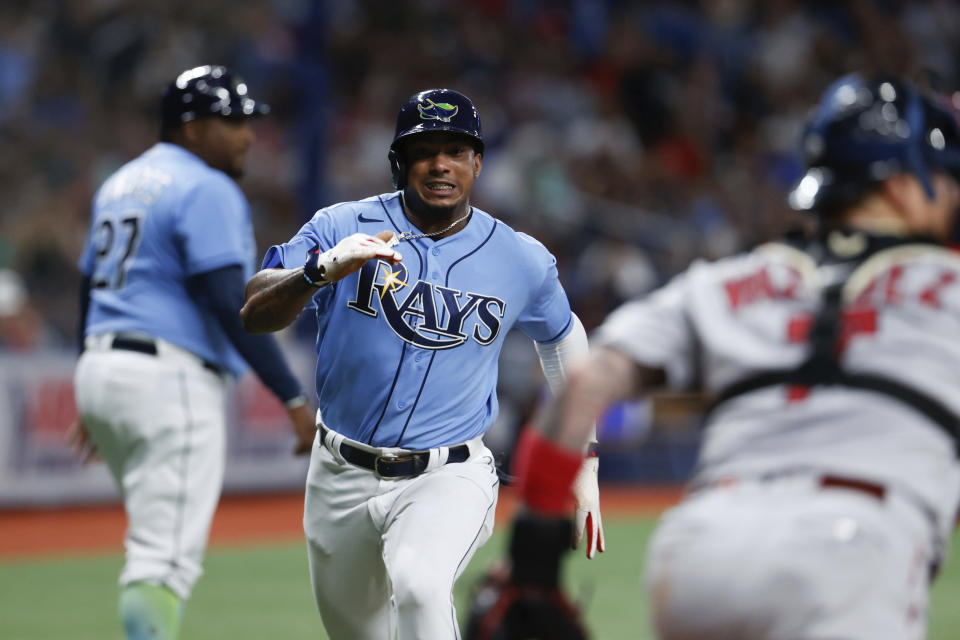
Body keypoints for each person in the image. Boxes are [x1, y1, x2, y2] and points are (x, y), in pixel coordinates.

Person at [510, 73, 960, 640]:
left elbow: (583, 385)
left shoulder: (731, 279)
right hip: (856, 548)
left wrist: (533, 566)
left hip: (702, 549)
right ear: (902, 186)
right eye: (945, 179)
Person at [239, 87, 603, 639]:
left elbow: (562, 335)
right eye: (425, 149)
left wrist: (585, 460)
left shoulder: (517, 257)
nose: (440, 164)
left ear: (477, 163)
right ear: (399, 162)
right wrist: (320, 270)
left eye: (456, 150)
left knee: (420, 584)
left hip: (449, 473)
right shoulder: (341, 226)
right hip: (339, 473)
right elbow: (255, 310)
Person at [67, 65, 317, 640]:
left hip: (103, 366)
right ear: (192, 128)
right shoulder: (207, 186)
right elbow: (231, 304)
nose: (248, 135)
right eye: (231, 121)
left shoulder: (121, 181)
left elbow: (88, 287)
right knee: (163, 561)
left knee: (153, 542)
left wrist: (89, 373)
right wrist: (294, 398)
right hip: (167, 378)